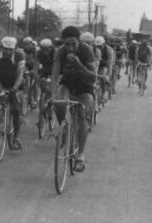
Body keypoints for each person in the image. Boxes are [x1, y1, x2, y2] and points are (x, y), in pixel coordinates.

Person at [51, 26, 97, 172]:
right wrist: (52, 96)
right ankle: (64, 127)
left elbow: (93, 76)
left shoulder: (86, 51)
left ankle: (81, 156)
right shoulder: (61, 52)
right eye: (67, 44)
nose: (70, 47)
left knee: (82, 115)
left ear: (79, 42)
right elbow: (54, 76)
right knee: (59, 103)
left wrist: (79, 64)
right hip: (68, 83)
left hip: (85, 85)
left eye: (74, 44)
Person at [0, 36, 26, 150]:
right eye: (5, 49)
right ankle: (1, 111)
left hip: (15, 81)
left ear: (14, 49)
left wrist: (15, 87)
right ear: (1, 47)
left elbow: (20, 74)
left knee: (15, 109)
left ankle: (16, 137)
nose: (8, 51)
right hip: (0, 80)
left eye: (10, 49)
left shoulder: (20, 55)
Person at [95, 36, 114, 102]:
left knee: (103, 78)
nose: (98, 48)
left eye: (100, 46)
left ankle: (103, 94)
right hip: (96, 64)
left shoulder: (109, 50)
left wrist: (108, 75)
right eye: (97, 46)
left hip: (105, 65)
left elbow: (110, 62)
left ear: (104, 44)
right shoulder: (94, 49)